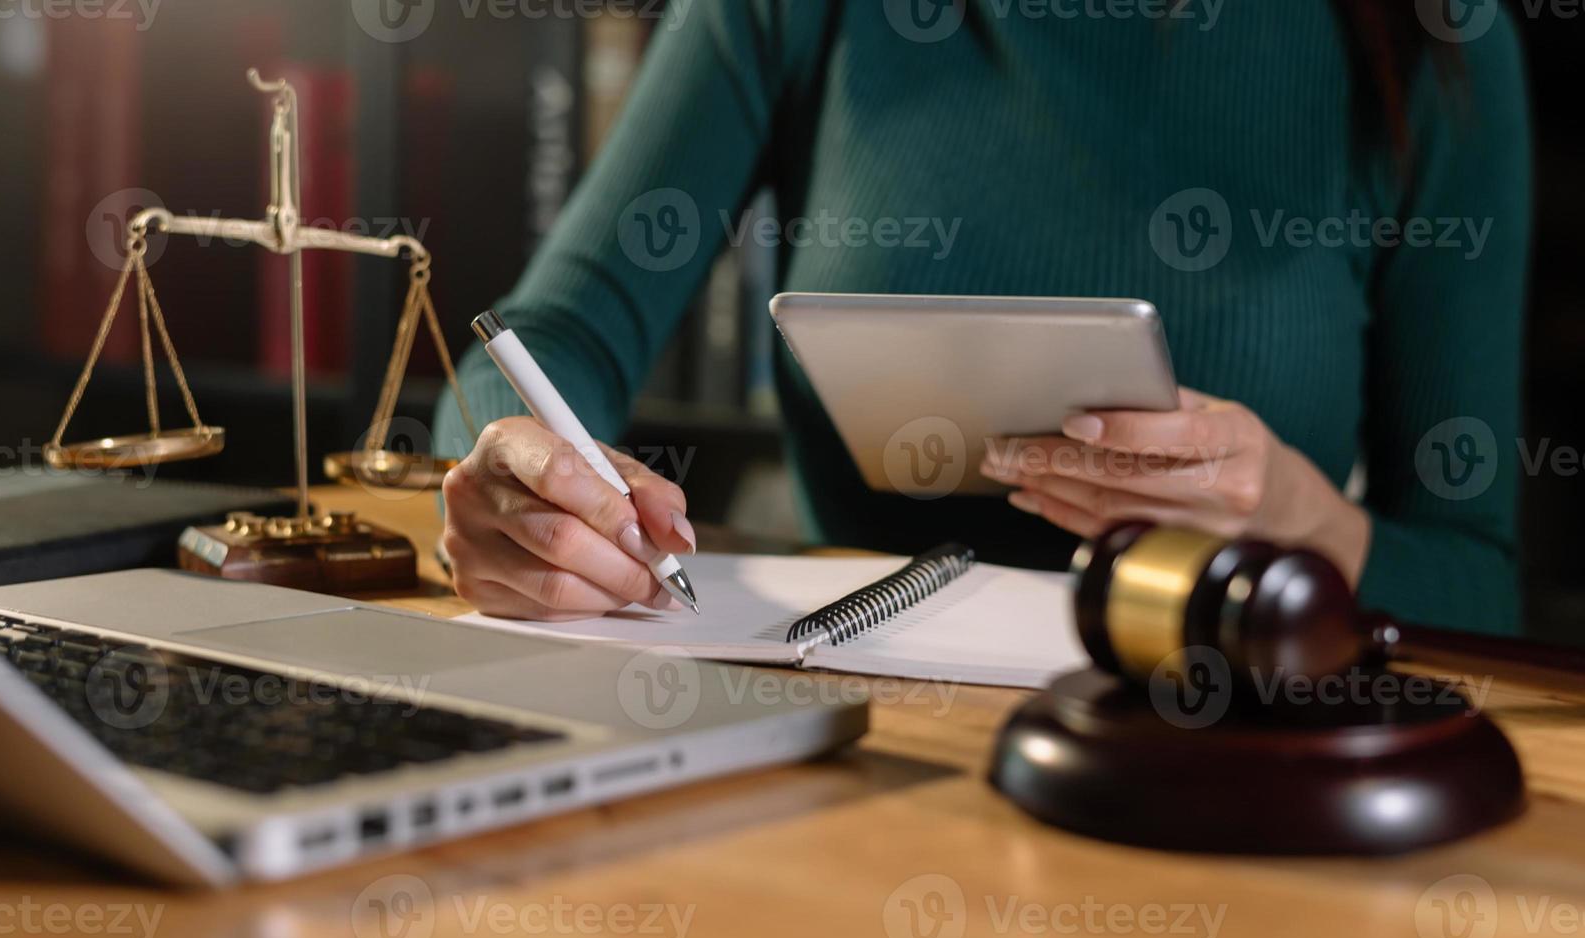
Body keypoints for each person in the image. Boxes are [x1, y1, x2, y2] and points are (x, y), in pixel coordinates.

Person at [434, 1, 1530, 633]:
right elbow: (555, 332)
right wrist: (520, 471)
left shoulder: (1430, 39)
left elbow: (1473, 579)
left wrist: (1299, 517)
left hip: (1218, 739)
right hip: (859, 723)